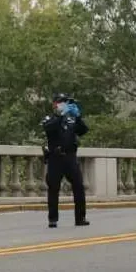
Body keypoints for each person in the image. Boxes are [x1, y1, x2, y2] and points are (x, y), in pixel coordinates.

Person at [41, 92, 90, 228]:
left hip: (70, 157)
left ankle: (80, 218)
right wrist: (60, 115)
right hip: (55, 158)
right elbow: (49, 128)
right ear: (55, 104)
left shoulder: (72, 119)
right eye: (61, 102)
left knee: (79, 186)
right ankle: (53, 219)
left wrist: (78, 116)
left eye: (65, 102)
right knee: (53, 188)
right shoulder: (50, 118)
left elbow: (83, 130)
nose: (63, 104)